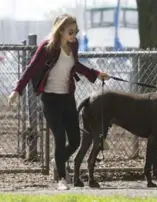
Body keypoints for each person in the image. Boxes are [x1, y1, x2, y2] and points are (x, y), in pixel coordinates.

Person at [8, 13, 110, 190]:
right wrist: (17, 90)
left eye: (76, 31)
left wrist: (95, 73)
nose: (74, 35)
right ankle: (61, 179)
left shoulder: (74, 45)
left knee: (76, 140)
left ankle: (59, 160)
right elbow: (31, 68)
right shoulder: (48, 47)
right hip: (50, 98)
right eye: (70, 32)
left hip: (67, 97)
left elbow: (76, 65)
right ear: (61, 30)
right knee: (60, 137)